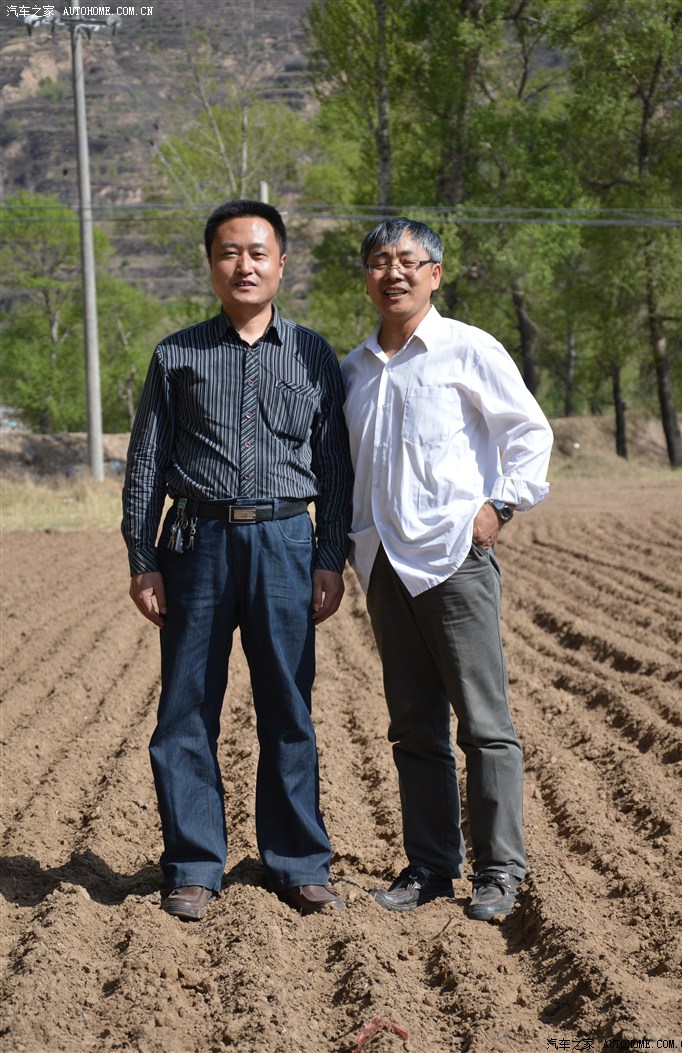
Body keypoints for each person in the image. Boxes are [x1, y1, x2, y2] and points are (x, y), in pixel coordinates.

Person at [121, 199, 353, 921]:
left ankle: (298, 863)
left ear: (282, 263)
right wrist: (142, 555)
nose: (244, 265)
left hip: (286, 542)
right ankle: (193, 863)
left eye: (258, 252)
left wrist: (330, 554)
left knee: (289, 704)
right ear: (211, 264)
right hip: (195, 544)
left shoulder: (314, 353)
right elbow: (146, 466)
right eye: (229, 252)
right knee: (186, 709)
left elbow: (336, 467)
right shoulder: (177, 354)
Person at [341, 218, 553, 921]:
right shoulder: (353, 368)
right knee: (412, 727)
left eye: (408, 261)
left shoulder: (468, 348)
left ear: (435, 273)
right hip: (383, 565)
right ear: (366, 276)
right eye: (379, 261)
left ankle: (498, 870)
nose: (392, 272)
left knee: (485, 725)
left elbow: (528, 431)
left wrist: (498, 507)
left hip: (455, 561)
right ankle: (431, 865)